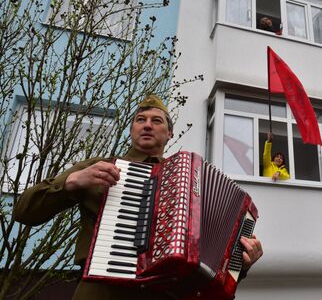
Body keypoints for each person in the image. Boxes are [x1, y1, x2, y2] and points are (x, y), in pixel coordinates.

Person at [14, 95, 263, 300]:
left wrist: (242, 263)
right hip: (103, 291)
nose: (147, 125)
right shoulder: (98, 167)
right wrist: (71, 182)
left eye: (156, 121)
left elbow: (212, 276)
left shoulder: (189, 181)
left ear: (169, 133)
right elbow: (25, 211)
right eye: (140, 120)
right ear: (131, 129)